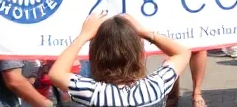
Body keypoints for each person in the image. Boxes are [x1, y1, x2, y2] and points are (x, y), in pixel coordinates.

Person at [49, 13, 192, 107]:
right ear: (137, 52)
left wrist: (83, 36)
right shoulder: (154, 86)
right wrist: (144, 32)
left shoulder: (95, 93)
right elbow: (183, 53)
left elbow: (56, 73)